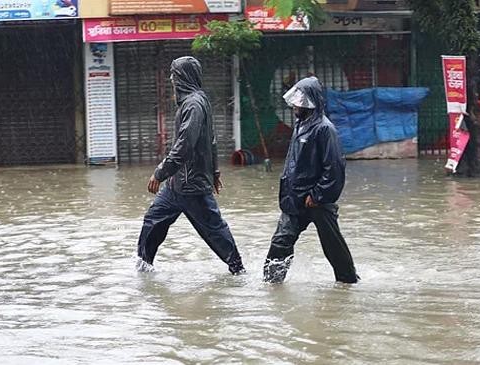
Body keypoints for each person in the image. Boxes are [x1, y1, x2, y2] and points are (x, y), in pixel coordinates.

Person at [136, 56, 245, 275]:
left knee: (214, 230)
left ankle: (238, 270)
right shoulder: (195, 101)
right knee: (154, 220)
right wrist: (214, 172)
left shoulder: (194, 104)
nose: (171, 79)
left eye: (173, 75)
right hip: (178, 183)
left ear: (182, 77)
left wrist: (160, 172)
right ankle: (143, 268)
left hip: (190, 183)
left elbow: (185, 144)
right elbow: (211, 140)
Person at [263, 76, 359, 284]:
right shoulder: (301, 125)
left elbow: (334, 167)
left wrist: (317, 195)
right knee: (281, 241)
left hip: (315, 200)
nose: (296, 105)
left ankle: (348, 281)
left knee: (332, 245)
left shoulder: (324, 129)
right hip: (294, 199)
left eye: (301, 101)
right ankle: (271, 283)